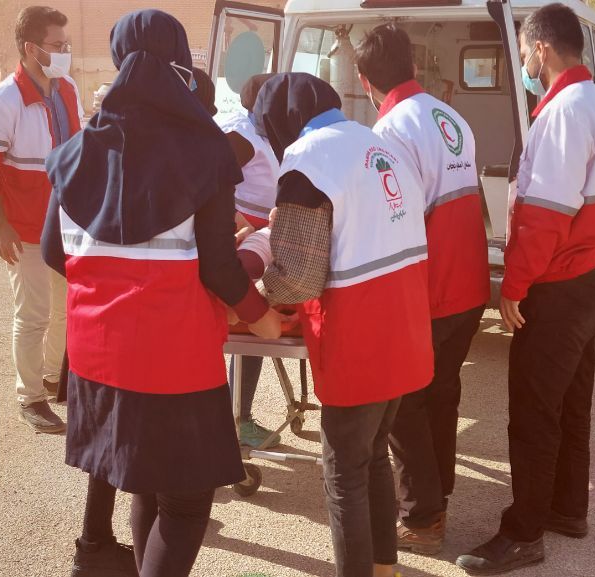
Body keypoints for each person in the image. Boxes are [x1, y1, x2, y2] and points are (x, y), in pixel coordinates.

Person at [41, 10, 284, 577]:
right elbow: (220, 268)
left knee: (146, 483)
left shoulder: (74, 153)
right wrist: (262, 317)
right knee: (186, 502)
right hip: (173, 361)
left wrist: (111, 281)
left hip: (96, 356)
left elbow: (55, 252)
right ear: (179, 64)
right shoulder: (204, 153)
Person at [455, 4, 595, 574]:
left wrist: (514, 287)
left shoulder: (563, 112)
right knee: (571, 404)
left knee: (532, 413)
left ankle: (524, 532)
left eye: (526, 51)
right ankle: (567, 508)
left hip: (558, 285)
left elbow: (547, 215)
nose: (525, 61)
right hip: (590, 278)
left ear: (542, 49)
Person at [254, 72, 433, 577]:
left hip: (359, 337)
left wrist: (256, 297)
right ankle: (383, 568)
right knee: (372, 456)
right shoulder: (377, 142)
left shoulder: (308, 160)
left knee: (343, 475)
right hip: (404, 328)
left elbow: (297, 276)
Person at [355, 24, 489, 555]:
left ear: (364, 80)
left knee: (404, 404)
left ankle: (423, 515)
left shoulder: (389, 132)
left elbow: (397, 220)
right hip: (470, 284)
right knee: (442, 393)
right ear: (413, 66)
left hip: (430, 292)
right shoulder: (447, 116)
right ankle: (439, 494)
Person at [0, 5, 83, 433]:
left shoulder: (67, 88)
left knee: (65, 311)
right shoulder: (0, 101)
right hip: (26, 229)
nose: (64, 52)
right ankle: (30, 396)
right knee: (33, 315)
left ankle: (52, 377)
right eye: (57, 45)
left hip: (67, 226)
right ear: (31, 48)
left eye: (66, 45)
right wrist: (1, 226)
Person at [213, 71, 283, 448]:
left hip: (262, 237)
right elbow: (212, 181)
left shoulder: (265, 131)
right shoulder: (241, 136)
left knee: (249, 323)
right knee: (247, 320)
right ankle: (238, 419)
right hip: (245, 242)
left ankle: (237, 416)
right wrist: (237, 220)